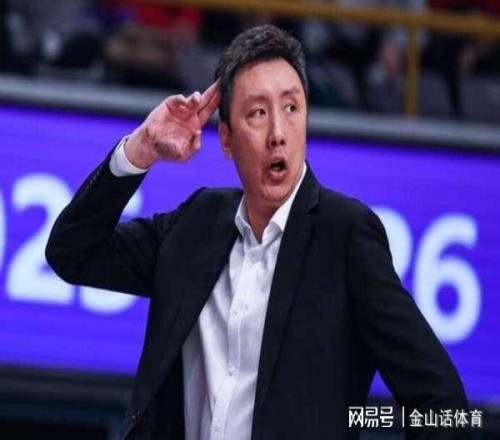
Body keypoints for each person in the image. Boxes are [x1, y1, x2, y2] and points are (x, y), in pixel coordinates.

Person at [45, 25, 468, 440]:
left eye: (291, 108)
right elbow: (72, 252)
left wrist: (350, 422)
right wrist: (140, 149)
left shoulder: (346, 236)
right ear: (227, 140)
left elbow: (443, 409)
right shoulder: (196, 223)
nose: (278, 134)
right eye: (258, 113)